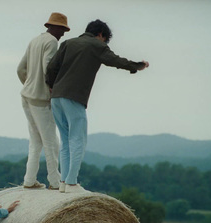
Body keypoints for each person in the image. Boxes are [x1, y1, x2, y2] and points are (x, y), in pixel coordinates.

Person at [46, 19, 149, 193]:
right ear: (100, 34)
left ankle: (63, 181)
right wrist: (137, 66)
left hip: (56, 96)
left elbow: (51, 67)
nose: (105, 43)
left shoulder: (68, 43)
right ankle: (71, 183)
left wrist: (52, 85)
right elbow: (115, 60)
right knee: (78, 139)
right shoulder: (96, 45)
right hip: (74, 96)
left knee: (65, 140)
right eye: (106, 39)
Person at [17, 12, 70, 189]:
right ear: (54, 27)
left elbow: (20, 69)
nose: (63, 33)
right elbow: (49, 68)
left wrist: (30, 84)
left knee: (36, 141)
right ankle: (55, 182)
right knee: (51, 143)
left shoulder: (34, 40)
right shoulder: (52, 42)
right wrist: (48, 88)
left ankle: (29, 180)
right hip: (40, 100)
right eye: (62, 29)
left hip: (26, 96)